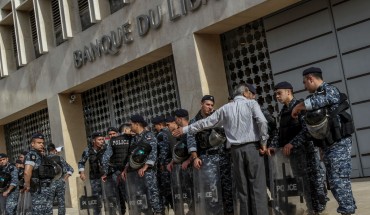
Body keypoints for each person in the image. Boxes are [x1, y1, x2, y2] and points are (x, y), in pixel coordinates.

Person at [173, 85, 269, 215]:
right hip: (253, 148)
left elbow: (205, 123)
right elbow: (262, 122)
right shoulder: (252, 104)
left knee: (243, 190)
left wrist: (184, 129)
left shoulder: (225, 109)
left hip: (235, 152)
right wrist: (263, 142)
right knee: (257, 187)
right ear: (246, 93)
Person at [291, 67, 356, 215]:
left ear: (310, 79)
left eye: (305, 82)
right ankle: (348, 210)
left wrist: (299, 106)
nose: (304, 86)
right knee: (333, 182)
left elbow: (324, 100)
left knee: (339, 180)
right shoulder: (318, 96)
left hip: (339, 145)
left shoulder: (329, 90)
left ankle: (347, 211)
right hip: (329, 146)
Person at [267, 81, 327, 214]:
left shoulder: (300, 107)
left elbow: (307, 130)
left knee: (313, 184)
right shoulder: (283, 112)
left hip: (306, 153)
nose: (277, 96)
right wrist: (273, 145)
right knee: (302, 185)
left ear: (288, 92)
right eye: (276, 94)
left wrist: (292, 143)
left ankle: (317, 209)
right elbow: (280, 132)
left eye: (279, 93)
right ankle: (312, 209)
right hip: (293, 156)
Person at [184, 95, 234, 215]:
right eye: (207, 104)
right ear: (201, 104)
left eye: (212, 105)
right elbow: (191, 141)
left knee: (227, 188)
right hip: (207, 159)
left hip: (223, 157)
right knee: (212, 190)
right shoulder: (194, 121)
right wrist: (195, 158)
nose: (210, 107)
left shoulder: (218, 115)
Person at [122, 114, 165, 215]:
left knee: (152, 196)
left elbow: (153, 154)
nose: (130, 127)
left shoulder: (148, 136)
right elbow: (132, 155)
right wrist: (125, 169)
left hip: (148, 172)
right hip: (136, 173)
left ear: (137, 124)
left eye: (131, 124)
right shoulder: (134, 138)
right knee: (142, 199)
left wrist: (145, 167)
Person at [23, 133, 57, 214]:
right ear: (32, 144)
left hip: (47, 189)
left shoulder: (42, 156)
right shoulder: (31, 155)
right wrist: (27, 185)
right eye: (39, 143)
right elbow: (27, 172)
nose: (41, 144)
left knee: (47, 212)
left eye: (42, 143)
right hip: (38, 189)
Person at [101, 125, 132, 214]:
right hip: (124, 171)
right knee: (123, 194)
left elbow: (105, 159)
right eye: (110, 134)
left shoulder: (113, 142)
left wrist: (106, 172)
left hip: (123, 172)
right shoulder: (130, 138)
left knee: (124, 194)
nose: (112, 136)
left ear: (118, 133)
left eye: (113, 133)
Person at [78, 132, 106, 215]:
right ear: (94, 141)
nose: (101, 141)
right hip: (95, 178)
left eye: (102, 139)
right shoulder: (88, 150)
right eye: (99, 140)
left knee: (109, 198)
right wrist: (82, 173)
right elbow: (81, 162)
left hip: (107, 177)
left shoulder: (106, 149)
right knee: (96, 199)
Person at [152, 115, 175, 211]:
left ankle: (171, 207)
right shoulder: (170, 132)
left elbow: (163, 150)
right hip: (171, 162)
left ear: (160, 125)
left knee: (167, 189)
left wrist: (161, 163)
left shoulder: (161, 134)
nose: (154, 128)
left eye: (155, 125)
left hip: (165, 164)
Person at [47, 143, 74, 215]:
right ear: (54, 149)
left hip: (49, 184)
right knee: (61, 202)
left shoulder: (44, 159)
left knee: (49, 202)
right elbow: (71, 169)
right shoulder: (59, 158)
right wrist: (64, 179)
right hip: (60, 182)